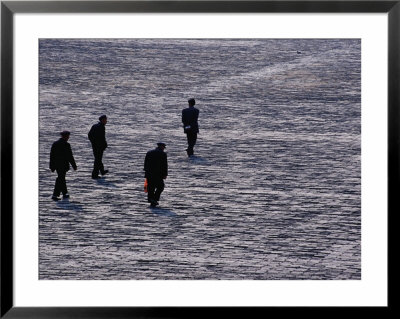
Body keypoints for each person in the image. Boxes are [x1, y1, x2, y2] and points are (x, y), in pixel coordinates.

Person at [49, 131, 77, 201]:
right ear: (65, 136)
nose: (68, 138)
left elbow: (52, 156)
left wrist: (51, 166)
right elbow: (70, 156)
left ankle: (64, 193)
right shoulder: (66, 145)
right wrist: (74, 165)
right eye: (68, 136)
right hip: (63, 165)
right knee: (60, 179)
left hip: (57, 165)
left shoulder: (55, 144)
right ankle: (55, 194)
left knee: (61, 178)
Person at [144, 142, 168, 207]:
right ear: (162, 147)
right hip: (158, 174)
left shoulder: (149, 152)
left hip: (149, 173)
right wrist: (165, 174)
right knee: (160, 187)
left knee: (151, 187)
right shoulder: (163, 154)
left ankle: (151, 199)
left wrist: (146, 172)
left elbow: (145, 163)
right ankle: (155, 199)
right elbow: (164, 165)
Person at [88, 115, 108, 179]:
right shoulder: (101, 127)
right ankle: (94, 175)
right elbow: (102, 138)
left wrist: (93, 143)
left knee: (98, 159)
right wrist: (104, 144)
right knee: (97, 160)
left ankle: (102, 171)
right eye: (105, 120)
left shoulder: (94, 126)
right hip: (99, 147)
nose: (106, 121)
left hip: (95, 146)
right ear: (102, 120)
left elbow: (89, 135)